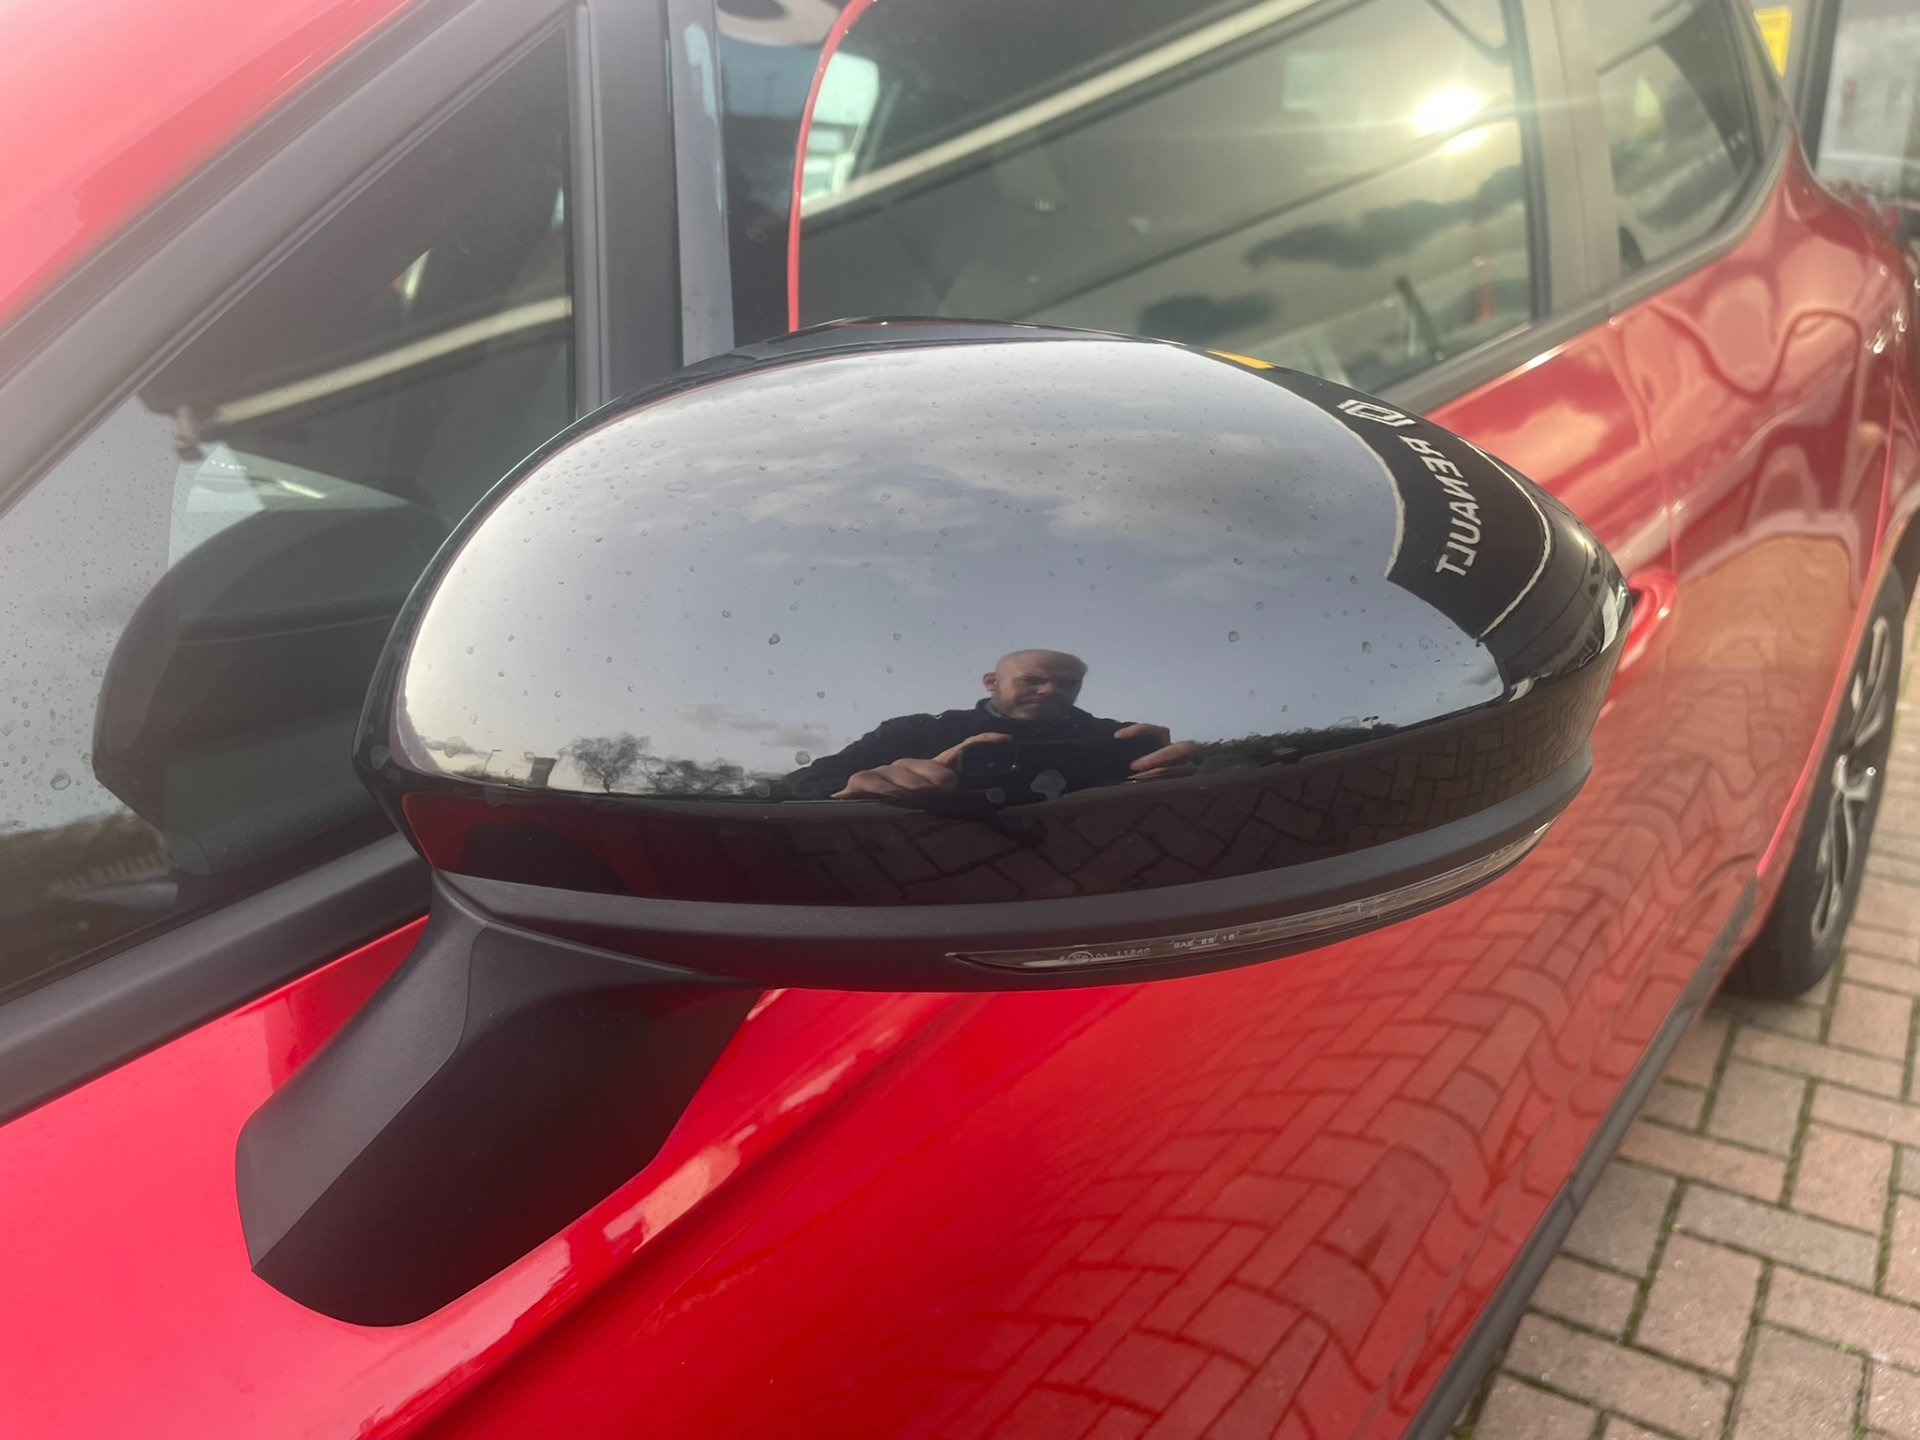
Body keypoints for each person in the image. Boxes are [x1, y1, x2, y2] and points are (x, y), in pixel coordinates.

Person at [784, 649, 1196, 799]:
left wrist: (1184, 772)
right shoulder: (914, 732)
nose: (1051, 690)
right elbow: (804, 782)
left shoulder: (1117, 736)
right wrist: (855, 790)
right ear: (991, 682)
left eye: (1068, 684)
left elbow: (1192, 776)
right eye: (1033, 680)